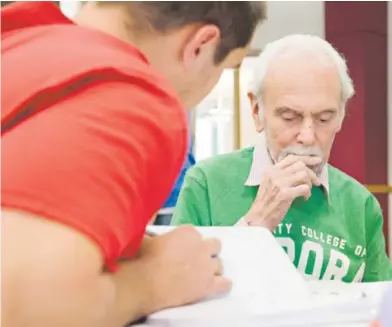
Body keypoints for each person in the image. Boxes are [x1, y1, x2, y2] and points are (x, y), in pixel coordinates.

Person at [1, 2, 266, 327]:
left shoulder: (18, 42)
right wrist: (154, 280)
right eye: (226, 67)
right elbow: (26, 306)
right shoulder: (128, 95)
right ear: (200, 46)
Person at [171, 34, 392, 283]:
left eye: (324, 118)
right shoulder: (206, 184)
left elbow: (382, 310)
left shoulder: (361, 205)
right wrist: (257, 222)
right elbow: (175, 290)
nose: (308, 137)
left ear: (341, 116)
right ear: (257, 111)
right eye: (290, 117)